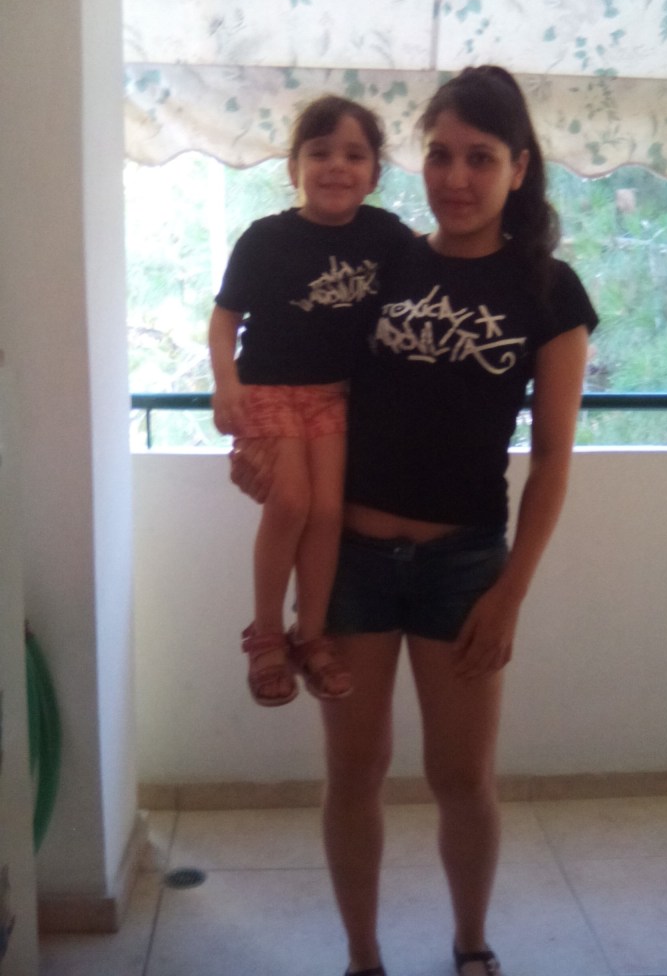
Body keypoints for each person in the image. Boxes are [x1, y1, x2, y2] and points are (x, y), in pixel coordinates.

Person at [232, 66, 598, 976]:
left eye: (480, 157)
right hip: (350, 559)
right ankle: (363, 957)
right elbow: (300, 371)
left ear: (519, 167)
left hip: (463, 568)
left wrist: (510, 594)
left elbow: (554, 459)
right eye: (440, 155)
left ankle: (470, 944)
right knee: (354, 774)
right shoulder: (382, 260)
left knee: (461, 778)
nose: (456, 178)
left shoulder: (550, 291)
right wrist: (262, 450)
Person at [209, 95, 413, 707]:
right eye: (320, 153)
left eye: (354, 155)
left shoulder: (384, 234)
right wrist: (226, 385)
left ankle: (312, 635)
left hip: (333, 394)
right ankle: (267, 637)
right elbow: (224, 319)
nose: (337, 167)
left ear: (374, 173)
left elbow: (437, 268)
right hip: (268, 389)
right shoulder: (265, 239)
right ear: (294, 166)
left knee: (328, 514)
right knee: (293, 501)